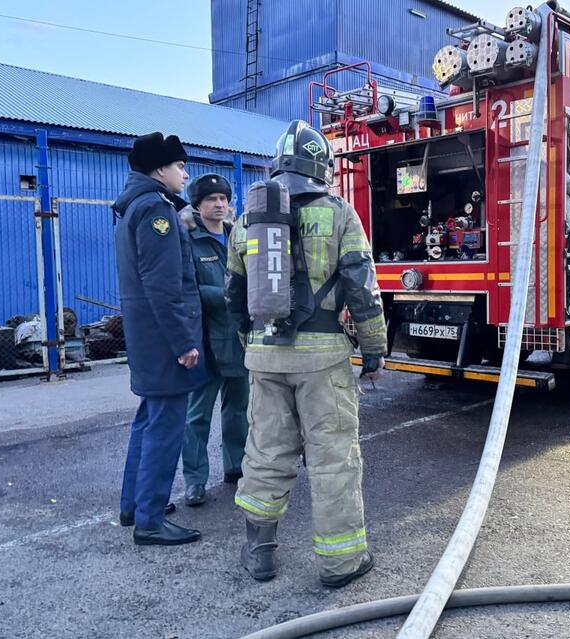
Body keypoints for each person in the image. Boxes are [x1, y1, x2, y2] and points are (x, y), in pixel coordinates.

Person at [225, 120, 388, 587]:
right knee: (333, 457)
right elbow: (362, 286)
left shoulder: (245, 220)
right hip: (322, 361)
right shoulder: (339, 213)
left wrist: (251, 348)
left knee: (265, 453)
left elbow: (233, 296)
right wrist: (374, 351)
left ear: (277, 167)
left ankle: (259, 555)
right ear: (323, 168)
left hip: (263, 355)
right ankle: (341, 563)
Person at [112, 131, 208, 546]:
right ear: (159, 169)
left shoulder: (134, 205)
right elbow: (165, 286)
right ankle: (150, 519)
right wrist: (184, 342)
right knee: (166, 427)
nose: (185, 173)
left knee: (147, 421)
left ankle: (135, 505)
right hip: (163, 337)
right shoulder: (156, 211)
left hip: (146, 335)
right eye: (180, 166)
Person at [179, 174, 249, 507]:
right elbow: (186, 288)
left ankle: (236, 468)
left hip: (238, 338)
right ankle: (195, 480)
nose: (219, 204)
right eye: (211, 200)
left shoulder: (238, 236)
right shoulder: (188, 241)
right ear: (197, 205)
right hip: (205, 341)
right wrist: (228, 295)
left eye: (223, 198)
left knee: (238, 409)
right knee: (198, 416)